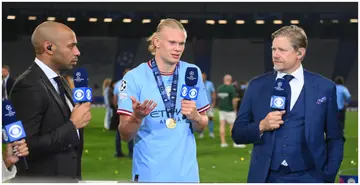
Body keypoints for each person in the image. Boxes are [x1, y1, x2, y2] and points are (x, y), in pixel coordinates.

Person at [232, 25, 344, 183]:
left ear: (300, 53)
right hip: (267, 177)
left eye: (282, 50)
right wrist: (261, 126)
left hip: (311, 177)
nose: (275, 55)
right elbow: (237, 133)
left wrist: (328, 174)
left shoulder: (324, 88)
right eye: (273, 49)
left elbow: (335, 137)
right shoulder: (257, 86)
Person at [117, 18, 209, 182]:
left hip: (187, 177)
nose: (178, 48)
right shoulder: (134, 78)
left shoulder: (192, 73)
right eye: (172, 42)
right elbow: (125, 135)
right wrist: (136, 118)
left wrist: (195, 116)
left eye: (181, 44)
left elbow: (201, 127)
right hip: (149, 175)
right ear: (156, 42)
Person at [9, 21, 92, 182]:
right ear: (49, 47)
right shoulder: (28, 85)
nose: (78, 52)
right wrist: (72, 124)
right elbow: (25, 148)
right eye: (71, 46)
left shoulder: (61, 81)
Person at [217, 74, 245, 148]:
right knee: (232, 127)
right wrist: (235, 109)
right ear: (230, 80)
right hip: (230, 110)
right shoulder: (231, 88)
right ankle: (235, 143)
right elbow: (234, 100)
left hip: (221, 109)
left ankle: (223, 143)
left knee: (222, 125)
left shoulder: (220, 88)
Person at [113, 68, 133, 158]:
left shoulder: (118, 84)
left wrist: (116, 107)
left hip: (120, 109)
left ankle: (118, 151)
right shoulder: (133, 84)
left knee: (119, 131)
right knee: (131, 130)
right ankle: (131, 152)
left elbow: (115, 98)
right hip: (130, 110)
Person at [198, 72, 216, 139]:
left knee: (210, 119)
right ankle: (201, 133)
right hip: (200, 105)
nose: (203, 77)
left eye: (204, 76)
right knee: (201, 120)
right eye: (202, 76)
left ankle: (211, 133)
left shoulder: (210, 83)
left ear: (205, 76)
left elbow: (213, 93)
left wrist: (214, 102)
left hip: (209, 104)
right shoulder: (197, 84)